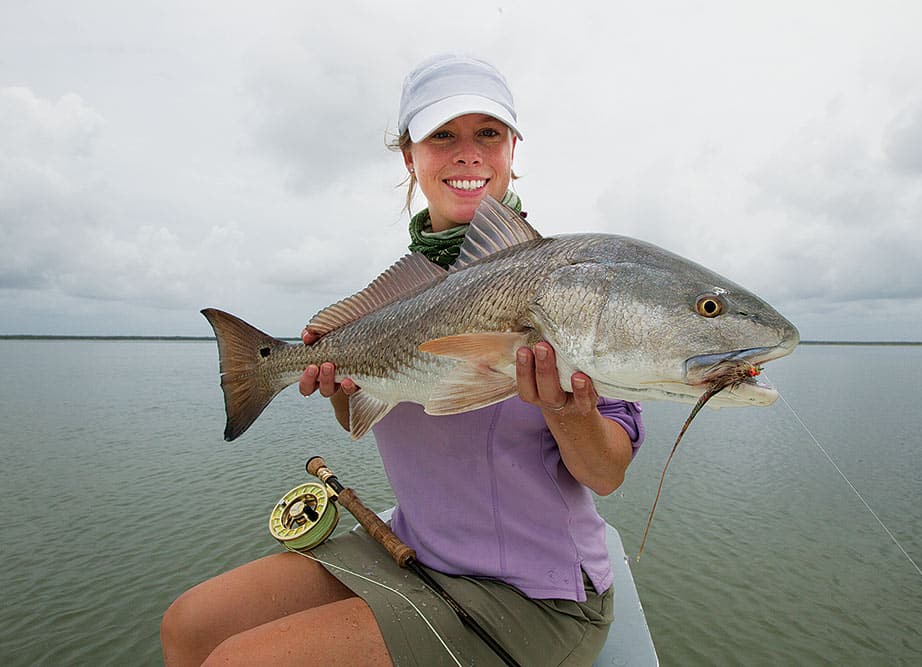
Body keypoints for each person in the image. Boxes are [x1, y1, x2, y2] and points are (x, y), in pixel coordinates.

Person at [161, 53, 644, 667]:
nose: (467, 152)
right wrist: (338, 388)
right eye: (442, 135)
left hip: (535, 595)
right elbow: (362, 414)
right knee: (188, 626)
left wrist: (563, 406)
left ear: (513, 150)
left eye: (487, 134)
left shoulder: (576, 290)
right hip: (415, 549)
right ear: (410, 157)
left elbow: (606, 474)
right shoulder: (397, 300)